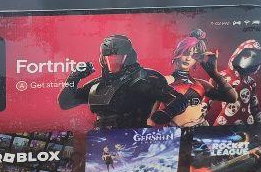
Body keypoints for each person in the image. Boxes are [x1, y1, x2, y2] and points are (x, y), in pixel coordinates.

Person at [58, 33, 189, 129]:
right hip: (102, 141)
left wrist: (167, 113)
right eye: (110, 57)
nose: (113, 61)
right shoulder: (96, 85)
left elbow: (180, 100)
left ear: (128, 57)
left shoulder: (145, 78)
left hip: (135, 139)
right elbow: (65, 103)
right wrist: (74, 77)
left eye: (118, 56)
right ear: (103, 58)